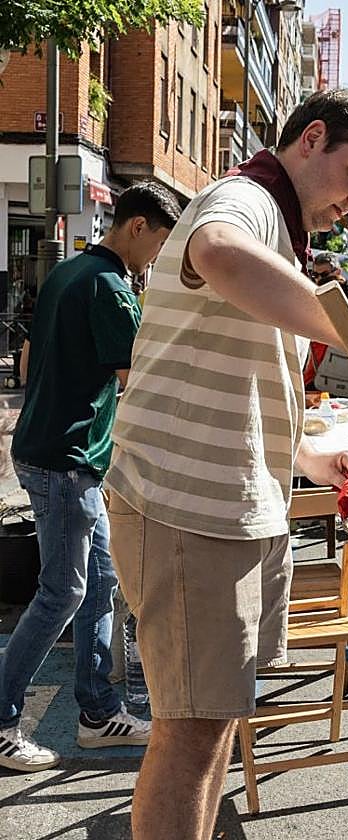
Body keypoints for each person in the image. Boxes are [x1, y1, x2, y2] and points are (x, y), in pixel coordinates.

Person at [104, 89, 348, 840]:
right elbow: (216, 251)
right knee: (189, 733)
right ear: (311, 139)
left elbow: (246, 378)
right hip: (187, 506)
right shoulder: (243, 197)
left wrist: (307, 454)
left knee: (212, 724)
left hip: (227, 506)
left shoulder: (280, 228)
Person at [1, 182, 180, 774]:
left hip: (54, 448)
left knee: (100, 580)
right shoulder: (110, 286)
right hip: (66, 458)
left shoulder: (69, 272)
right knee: (63, 591)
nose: (158, 255)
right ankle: (2, 720)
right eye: (160, 242)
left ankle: (99, 712)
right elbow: (139, 379)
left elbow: (30, 358)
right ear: (138, 226)